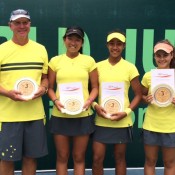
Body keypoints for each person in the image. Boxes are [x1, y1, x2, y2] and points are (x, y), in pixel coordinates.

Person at [0, 9, 48, 175]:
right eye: (17, 23)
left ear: (29, 24)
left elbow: (45, 78)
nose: (22, 26)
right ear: (10, 26)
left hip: (34, 115)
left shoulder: (41, 49)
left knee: (31, 158)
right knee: (7, 159)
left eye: (25, 22)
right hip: (8, 117)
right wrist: (8, 94)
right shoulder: (1, 50)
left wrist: (43, 88)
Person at [48, 26, 98, 175]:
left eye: (77, 39)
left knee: (79, 157)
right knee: (62, 156)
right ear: (64, 40)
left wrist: (89, 101)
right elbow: (49, 88)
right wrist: (56, 101)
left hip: (82, 115)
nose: (73, 42)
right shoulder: (55, 61)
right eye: (70, 38)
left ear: (82, 43)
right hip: (60, 115)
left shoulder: (89, 61)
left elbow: (95, 87)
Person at [92, 29, 142, 175]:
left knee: (120, 158)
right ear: (107, 45)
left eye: (119, 44)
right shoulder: (97, 66)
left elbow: (138, 95)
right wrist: (95, 106)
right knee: (97, 158)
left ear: (124, 46)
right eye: (112, 43)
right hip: (101, 121)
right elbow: (89, 92)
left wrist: (126, 112)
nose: (115, 47)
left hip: (122, 120)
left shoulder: (130, 68)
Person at [141, 39, 175, 175]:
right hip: (151, 125)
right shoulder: (148, 76)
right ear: (154, 56)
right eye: (158, 55)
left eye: (165, 55)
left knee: (170, 163)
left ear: (172, 55)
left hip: (171, 127)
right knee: (150, 161)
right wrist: (146, 99)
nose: (161, 59)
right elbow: (142, 96)